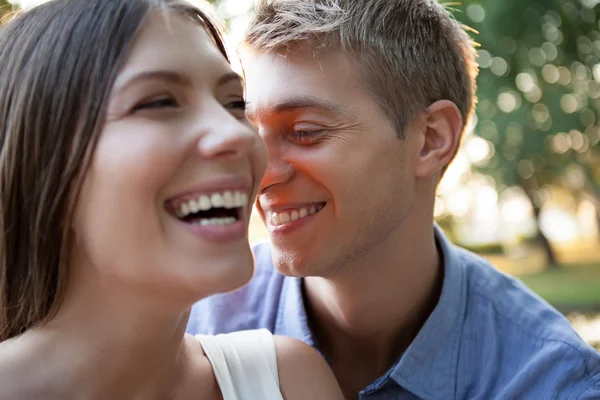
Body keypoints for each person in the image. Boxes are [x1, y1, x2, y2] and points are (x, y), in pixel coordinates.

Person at [187, 0, 600, 398]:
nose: (260, 176)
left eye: (305, 132)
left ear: (431, 139)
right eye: (250, 131)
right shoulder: (194, 328)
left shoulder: (550, 382)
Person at [0, 0, 344, 399]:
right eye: (159, 102)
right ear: (43, 170)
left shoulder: (290, 380)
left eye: (234, 104)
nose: (238, 134)